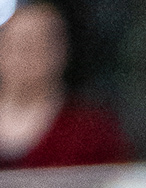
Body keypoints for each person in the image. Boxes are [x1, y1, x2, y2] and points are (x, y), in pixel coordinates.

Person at [0, 1, 130, 173]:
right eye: (17, 45)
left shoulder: (91, 128)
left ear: (61, 50)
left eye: (38, 44)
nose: (26, 57)